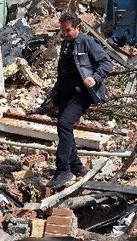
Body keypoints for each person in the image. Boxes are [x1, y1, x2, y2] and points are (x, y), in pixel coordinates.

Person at [46, 12, 112, 189]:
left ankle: (63, 169)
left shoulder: (87, 42)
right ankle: (77, 167)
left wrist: (95, 78)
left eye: (68, 30)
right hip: (66, 94)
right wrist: (54, 95)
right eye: (62, 31)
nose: (65, 34)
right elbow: (63, 73)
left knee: (64, 125)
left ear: (78, 27)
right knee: (64, 128)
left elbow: (106, 63)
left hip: (82, 94)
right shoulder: (66, 45)